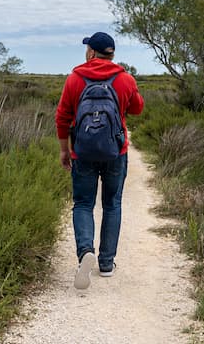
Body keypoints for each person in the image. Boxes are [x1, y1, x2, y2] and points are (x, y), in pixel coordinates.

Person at [55, 31, 144, 290]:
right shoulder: (125, 78)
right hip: (116, 151)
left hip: (82, 152)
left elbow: (62, 118)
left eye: (87, 49)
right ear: (112, 54)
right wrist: (128, 84)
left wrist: (64, 150)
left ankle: (85, 253)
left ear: (92, 52)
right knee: (112, 204)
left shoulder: (74, 79)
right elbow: (138, 108)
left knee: (83, 203)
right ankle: (106, 264)